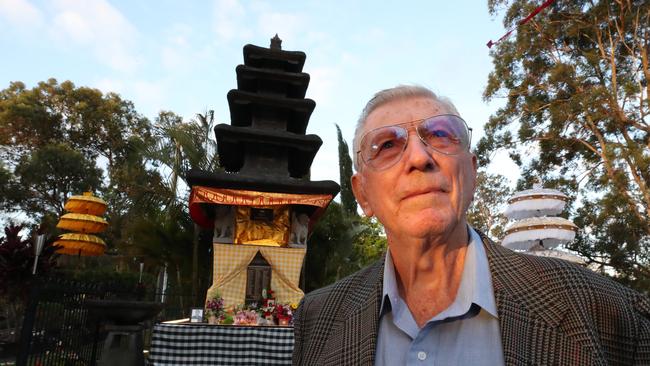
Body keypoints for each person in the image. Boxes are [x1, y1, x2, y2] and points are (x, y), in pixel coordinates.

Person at [292, 85, 650, 365]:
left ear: (472, 172)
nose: (420, 157)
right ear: (363, 194)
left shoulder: (607, 312)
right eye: (387, 144)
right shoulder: (317, 318)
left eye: (441, 135)